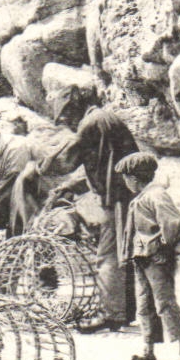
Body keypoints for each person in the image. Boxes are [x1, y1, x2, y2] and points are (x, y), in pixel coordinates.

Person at [43, 86, 139, 332]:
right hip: (126, 194)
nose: (67, 122)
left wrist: (42, 165)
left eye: (66, 116)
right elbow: (102, 164)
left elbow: (66, 161)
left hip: (115, 198)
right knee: (123, 253)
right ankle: (125, 311)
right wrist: (70, 187)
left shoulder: (90, 124)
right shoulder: (106, 118)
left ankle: (112, 315)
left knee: (108, 256)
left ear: (75, 106)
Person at [116, 152, 180, 360]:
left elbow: (173, 222)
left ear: (134, 178)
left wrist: (164, 248)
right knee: (144, 305)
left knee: (165, 303)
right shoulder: (144, 196)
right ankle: (148, 349)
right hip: (142, 257)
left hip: (156, 258)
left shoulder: (156, 195)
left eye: (126, 178)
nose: (125, 182)